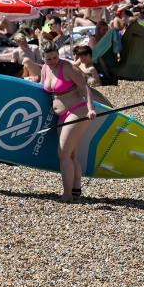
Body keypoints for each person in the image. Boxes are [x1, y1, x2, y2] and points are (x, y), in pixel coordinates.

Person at [38, 40, 95, 201]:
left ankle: (67, 194)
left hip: (77, 111)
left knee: (63, 154)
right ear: (43, 58)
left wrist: (91, 109)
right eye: (48, 59)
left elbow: (85, 88)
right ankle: (76, 190)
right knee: (71, 154)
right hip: (61, 115)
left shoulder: (67, 67)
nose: (53, 61)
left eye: (55, 57)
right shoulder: (45, 69)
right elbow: (42, 87)